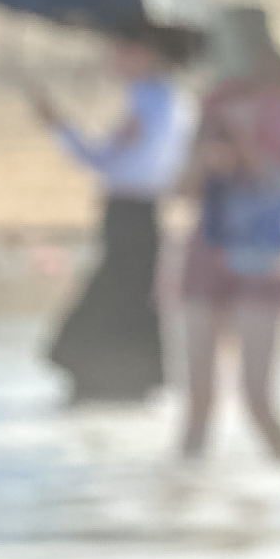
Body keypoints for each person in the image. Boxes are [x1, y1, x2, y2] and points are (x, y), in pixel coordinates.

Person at [178, 3, 280, 463]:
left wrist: (246, 141)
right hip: (209, 245)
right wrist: (205, 159)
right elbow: (186, 186)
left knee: (258, 400)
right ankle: (179, 509)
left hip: (268, 250)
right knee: (197, 401)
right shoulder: (218, 99)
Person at [27, 32, 190, 407]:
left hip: (132, 210)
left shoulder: (153, 101)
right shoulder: (167, 99)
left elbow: (107, 161)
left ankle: (111, 377)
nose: (112, 56)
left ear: (147, 52)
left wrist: (59, 125)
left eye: (122, 48)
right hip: (140, 211)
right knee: (125, 294)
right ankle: (122, 381)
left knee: (116, 294)